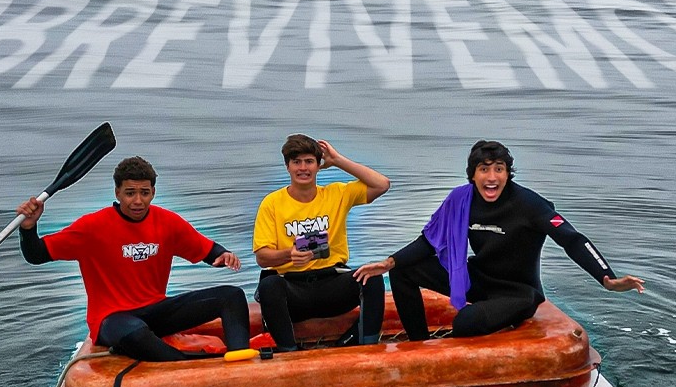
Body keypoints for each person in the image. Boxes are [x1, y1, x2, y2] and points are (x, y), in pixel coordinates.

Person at [354, 140, 644, 340]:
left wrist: (607, 279)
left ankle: (488, 337)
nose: (491, 177)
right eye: (484, 169)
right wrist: (388, 262)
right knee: (404, 271)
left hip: (518, 292)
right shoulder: (461, 201)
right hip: (478, 279)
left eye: (499, 169)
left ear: (507, 173)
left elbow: (571, 239)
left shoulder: (530, 204)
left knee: (465, 323)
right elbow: (429, 242)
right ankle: (420, 346)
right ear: (473, 175)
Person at [16, 155, 249, 362]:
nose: (138, 201)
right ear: (117, 192)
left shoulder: (167, 223)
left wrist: (223, 255)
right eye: (130, 193)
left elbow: (208, 250)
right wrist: (28, 229)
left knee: (232, 296)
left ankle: (240, 361)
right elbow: (36, 255)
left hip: (155, 310)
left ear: (153, 193)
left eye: (144, 193)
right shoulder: (92, 227)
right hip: (112, 319)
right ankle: (185, 366)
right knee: (135, 332)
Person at [253, 135, 391, 351]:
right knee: (269, 285)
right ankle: (288, 352)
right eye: (296, 162)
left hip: (332, 283)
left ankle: (367, 346)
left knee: (372, 278)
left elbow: (382, 184)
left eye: (309, 161)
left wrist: (338, 160)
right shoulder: (272, 203)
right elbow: (262, 257)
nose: (303, 168)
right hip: (294, 289)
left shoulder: (336, 194)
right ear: (287, 166)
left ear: (318, 165)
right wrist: (289, 254)